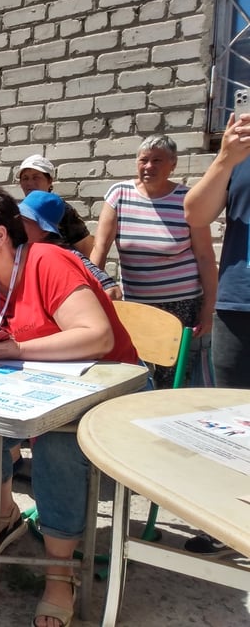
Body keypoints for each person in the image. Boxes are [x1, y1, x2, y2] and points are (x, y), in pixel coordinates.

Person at [0, 187, 139, 627]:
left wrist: (17, 348)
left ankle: (60, 574)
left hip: (106, 382)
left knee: (57, 442)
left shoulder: (47, 260)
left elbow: (97, 336)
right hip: (38, 385)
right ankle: (4, 516)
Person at [91, 135, 218, 388]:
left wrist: (207, 309)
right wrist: (93, 293)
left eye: (157, 160)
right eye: (144, 160)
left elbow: (205, 257)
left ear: (173, 164)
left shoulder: (187, 199)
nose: (149, 166)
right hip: (138, 306)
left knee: (173, 381)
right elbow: (100, 249)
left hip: (182, 306)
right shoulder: (120, 195)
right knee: (139, 376)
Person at [183, 111, 250, 555]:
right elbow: (195, 213)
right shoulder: (239, 154)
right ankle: (229, 520)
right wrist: (225, 158)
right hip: (238, 301)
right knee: (235, 418)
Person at [18, 190, 121, 299]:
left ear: (45, 231)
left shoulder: (66, 256)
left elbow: (112, 291)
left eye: (24, 220)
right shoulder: (15, 251)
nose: (16, 224)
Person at [16, 155, 95, 256]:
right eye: (25, 178)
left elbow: (86, 248)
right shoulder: (20, 211)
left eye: (36, 177)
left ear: (49, 181)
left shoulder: (62, 211)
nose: (30, 183)